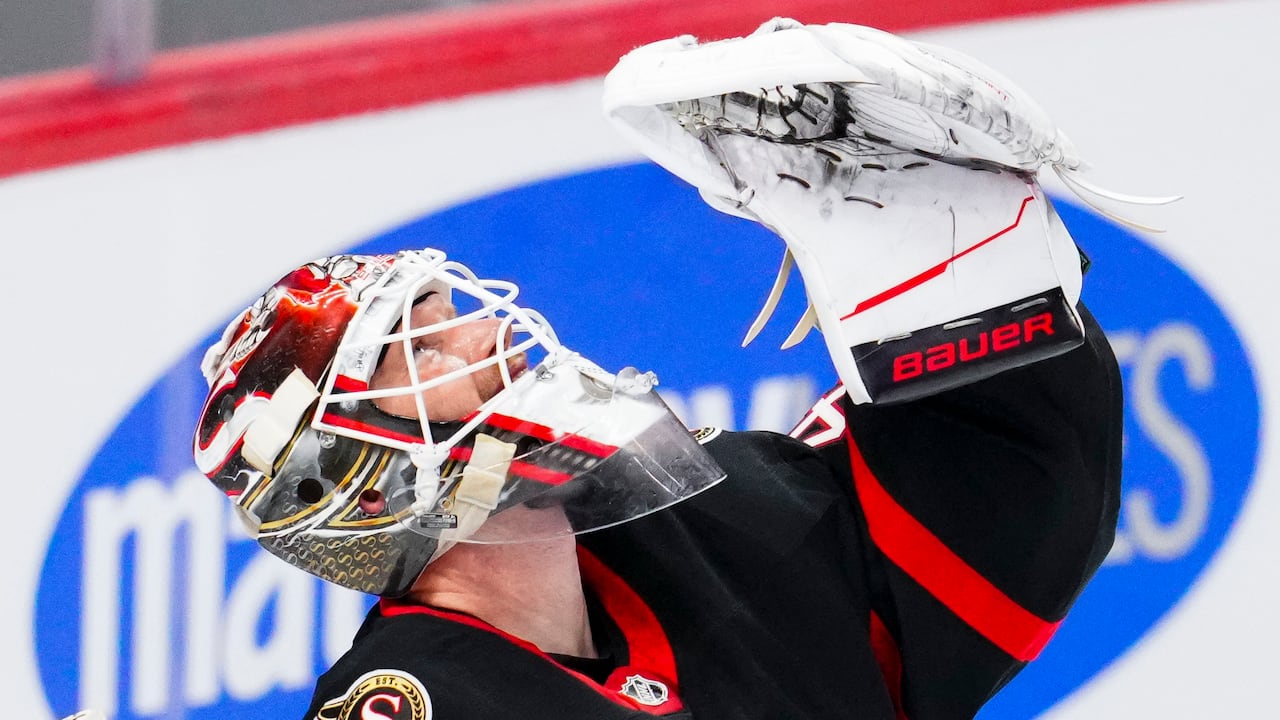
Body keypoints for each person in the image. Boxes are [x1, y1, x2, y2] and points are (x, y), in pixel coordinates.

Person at [193, 18, 1151, 720]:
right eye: (423, 352)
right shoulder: (418, 697)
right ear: (363, 488)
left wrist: (949, 283)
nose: (488, 339)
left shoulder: (697, 530)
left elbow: (994, 538)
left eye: (455, 315)